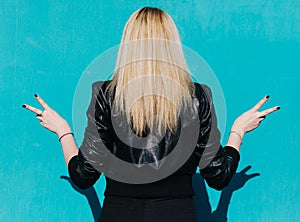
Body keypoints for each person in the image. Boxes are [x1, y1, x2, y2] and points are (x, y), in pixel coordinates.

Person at [22, 7, 280, 222]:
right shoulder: (198, 96)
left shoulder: (106, 94)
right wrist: (238, 131)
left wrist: (63, 131)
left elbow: (83, 175)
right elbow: (218, 176)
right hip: (178, 213)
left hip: (118, 212)